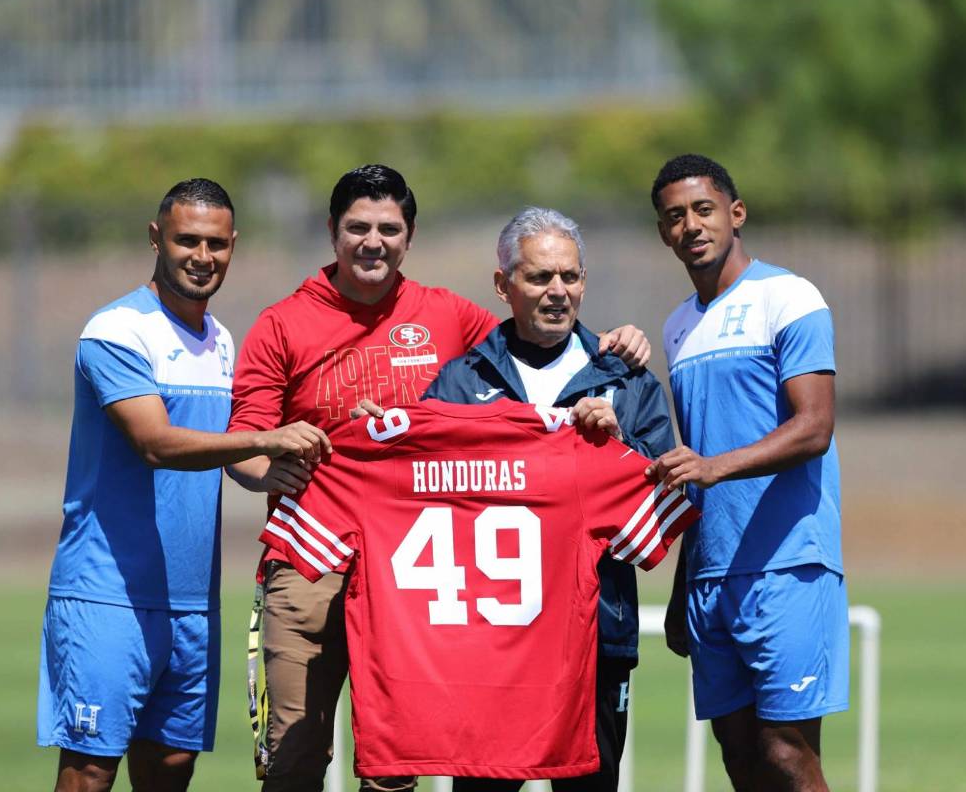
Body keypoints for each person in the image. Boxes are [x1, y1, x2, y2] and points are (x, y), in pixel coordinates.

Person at [227, 165, 652, 792]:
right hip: (314, 555)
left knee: (395, 766)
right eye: (358, 228)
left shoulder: (450, 317)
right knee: (295, 761)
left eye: (389, 229)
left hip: (419, 574)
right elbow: (244, 447)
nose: (374, 242)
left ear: (409, 235)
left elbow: (537, 338)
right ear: (332, 232)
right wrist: (279, 473)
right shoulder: (283, 323)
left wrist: (611, 347)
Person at [37, 179, 331, 792]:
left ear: (233, 246)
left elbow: (234, 460)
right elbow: (157, 443)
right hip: (106, 595)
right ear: (156, 238)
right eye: (187, 240)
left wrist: (297, 471)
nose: (202, 256)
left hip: (192, 600)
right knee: (90, 769)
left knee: (172, 767)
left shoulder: (222, 341)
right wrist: (265, 440)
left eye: (216, 244)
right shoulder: (116, 331)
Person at [419, 206, 675, 791]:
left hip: (594, 640)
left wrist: (619, 444)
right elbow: (418, 496)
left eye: (571, 276)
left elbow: (661, 517)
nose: (558, 291)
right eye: (539, 277)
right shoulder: (457, 385)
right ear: (503, 285)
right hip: (491, 646)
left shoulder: (630, 382)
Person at [646, 155, 849, 792]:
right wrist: (684, 584)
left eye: (703, 210)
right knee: (738, 756)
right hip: (712, 576)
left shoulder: (788, 296)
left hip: (787, 563)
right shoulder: (678, 327)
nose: (691, 226)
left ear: (736, 214)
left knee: (786, 753)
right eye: (674, 217)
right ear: (663, 233)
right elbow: (694, 470)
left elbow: (814, 427)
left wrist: (714, 467)